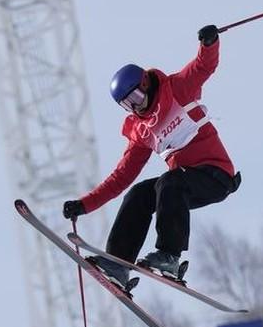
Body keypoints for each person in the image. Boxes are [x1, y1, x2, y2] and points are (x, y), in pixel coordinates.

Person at [62, 25, 241, 288]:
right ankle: (118, 264)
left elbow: (203, 66)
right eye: (127, 105)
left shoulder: (178, 88)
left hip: (216, 176)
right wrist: (85, 204)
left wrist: (209, 43)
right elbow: (120, 178)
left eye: (135, 97)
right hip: (182, 183)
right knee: (139, 193)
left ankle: (169, 255)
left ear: (145, 83)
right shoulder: (142, 130)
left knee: (169, 181)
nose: (135, 107)